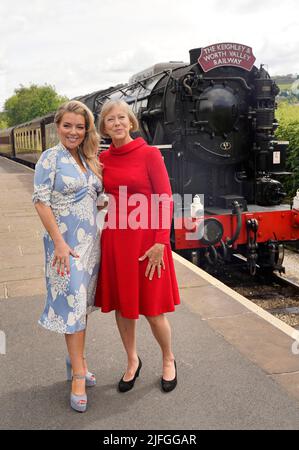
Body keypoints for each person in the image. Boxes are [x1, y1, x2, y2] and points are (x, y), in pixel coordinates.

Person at [95, 99, 180, 393]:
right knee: (124, 308)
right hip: (116, 241)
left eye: (121, 118)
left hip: (148, 243)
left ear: (131, 122)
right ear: (104, 128)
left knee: (154, 310)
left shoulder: (149, 155)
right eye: (110, 120)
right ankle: (132, 361)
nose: (117, 123)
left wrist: (161, 242)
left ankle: (168, 359)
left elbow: (165, 199)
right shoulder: (102, 160)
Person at [32, 100, 102, 412]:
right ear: (58, 127)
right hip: (65, 248)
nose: (73, 132)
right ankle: (77, 375)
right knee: (72, 306)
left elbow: (92, 197)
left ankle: (77, 360)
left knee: (81, 307)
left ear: (87, 129)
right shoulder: (51, 158)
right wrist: (59, 243)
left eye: (79, 126)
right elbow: (40, 202)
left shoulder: (87, 158)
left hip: (90, 247)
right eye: (67, 126)